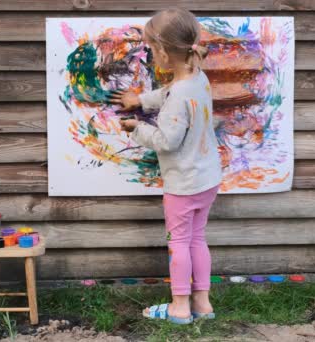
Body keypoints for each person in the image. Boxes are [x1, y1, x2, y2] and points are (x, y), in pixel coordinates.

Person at [108, 8, 223, 325]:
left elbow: (168, 140)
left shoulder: (177, 96)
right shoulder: (197, 77)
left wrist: (136, 128)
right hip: (207, 178)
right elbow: (172, 94)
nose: (148, 54)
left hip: (184, 186)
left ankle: (180, 306)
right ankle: (203, 302)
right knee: (197, 240)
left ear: (161, 52)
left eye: (149, 48)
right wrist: (141, 101)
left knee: (179, 244)